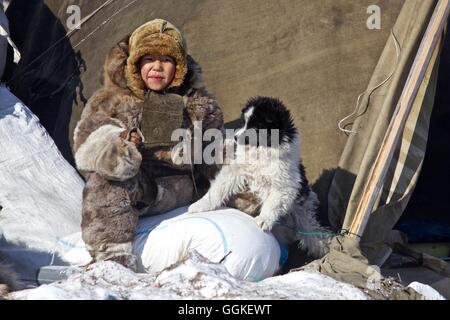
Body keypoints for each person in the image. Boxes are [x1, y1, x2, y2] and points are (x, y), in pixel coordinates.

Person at [72, 19, 224, 270]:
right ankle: (112, 262)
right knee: (104, 181)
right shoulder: (110, 101)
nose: (157, 67)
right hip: (135, 181)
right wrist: (120, 144)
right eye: (148, 59)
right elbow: (85, 145)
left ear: (178, 65)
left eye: (166, 60)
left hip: (177, 187)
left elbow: (214, 157)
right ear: (135, 64)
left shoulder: (198, 106)